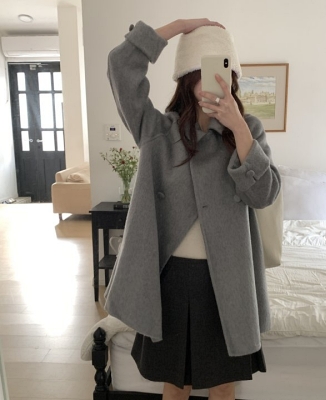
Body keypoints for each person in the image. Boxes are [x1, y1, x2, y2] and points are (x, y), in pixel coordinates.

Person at [105, 18, 281, 400]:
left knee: (223, 385)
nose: (211, 80)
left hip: (228, 279)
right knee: (175, 384)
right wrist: (180, 27)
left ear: (231, 77)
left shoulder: (248, 130)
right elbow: (120, 66)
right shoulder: (157, 131)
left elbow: (264, 194)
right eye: (200, 69)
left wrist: (238, 128)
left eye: (219, 69)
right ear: (186, 77)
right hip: (171, 279)